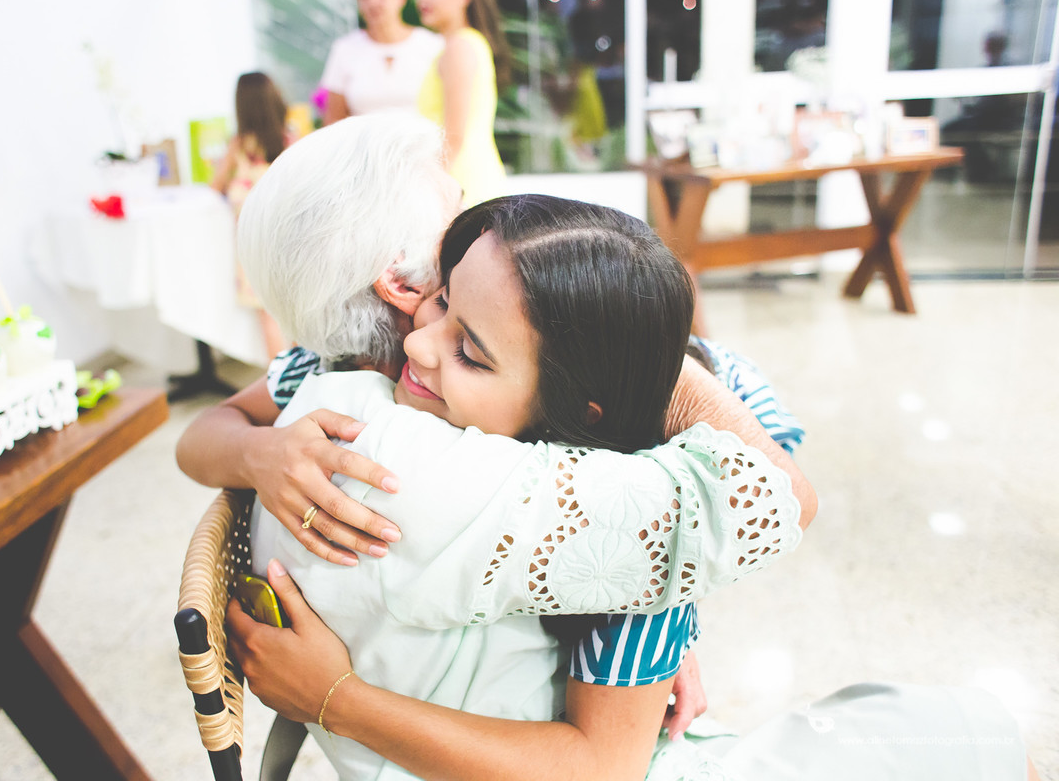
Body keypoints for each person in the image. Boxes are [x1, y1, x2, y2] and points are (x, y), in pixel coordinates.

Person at [226, 192, 1033, 780]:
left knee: (941, 734)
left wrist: (339, 700)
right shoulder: (380, 395)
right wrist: (257, 455)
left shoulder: (617, 525)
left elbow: (777, 495)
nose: (421, 349)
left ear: (578, 406)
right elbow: (215, 432)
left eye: (472, 351)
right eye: (440, 300)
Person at [175, 113, 814, 770]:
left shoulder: (323, 382)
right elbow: (773, 498)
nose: (479, 220)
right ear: (402, 280)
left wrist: (260, 451)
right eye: (457, 208)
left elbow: (204, 432)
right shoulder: (449, 467)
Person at [209, 70, 289, 361]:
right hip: (287, 242)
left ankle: (284, 385)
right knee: (293, 317)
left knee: (269, 320)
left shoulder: (239, 148)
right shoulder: (290, 143)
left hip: (254, 246)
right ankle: (300, 379)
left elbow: (215, 187)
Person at [414, 0, 509, 207]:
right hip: (466, 180)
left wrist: (419, 191)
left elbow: (453, 137)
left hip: (460, 185)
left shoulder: (460, 47)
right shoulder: (466, 44)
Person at [320, 0, 444, 126]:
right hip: (364, 146)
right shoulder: (344, 49)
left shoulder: (434, 45)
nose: (372, 2)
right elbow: (333, 119)